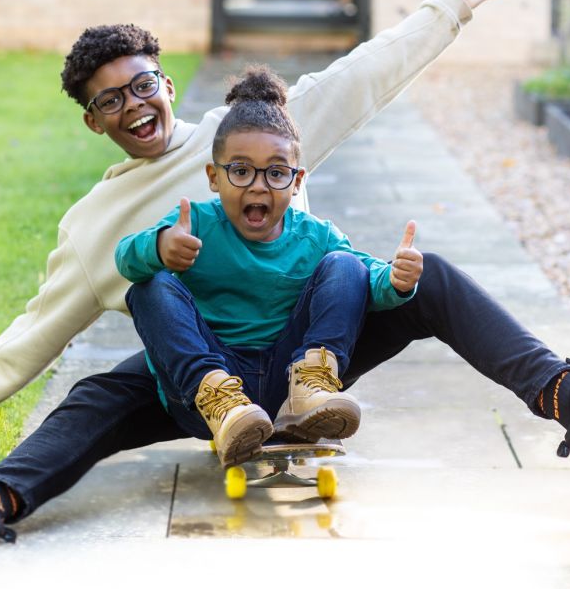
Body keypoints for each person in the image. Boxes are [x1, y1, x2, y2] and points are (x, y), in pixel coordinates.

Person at [0, 0, 565, 551]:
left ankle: (558, 390)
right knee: (101, 389)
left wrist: (452, 5)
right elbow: (34, 331)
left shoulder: (253, 129)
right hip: (202, 379)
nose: (133, 104)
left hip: (306, 363)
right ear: (93, 120)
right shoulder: (92, 227)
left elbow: (359, 78)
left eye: (141, 85)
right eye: (111, 100)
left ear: (164, 81)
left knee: (427, 276)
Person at [115, 66, 423, 467]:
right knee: (149, 286)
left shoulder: (315, 235)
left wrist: (397, 280)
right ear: (213, 177)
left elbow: (369, 277)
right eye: (241, 171)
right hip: (206, 392)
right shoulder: (195, 224)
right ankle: (224, 405)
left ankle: (312, 389)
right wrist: (160, 247)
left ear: (297, 183)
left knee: (346, 265)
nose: (258, 186)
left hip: (286, 379)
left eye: (276, 173)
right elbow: (124, 257)